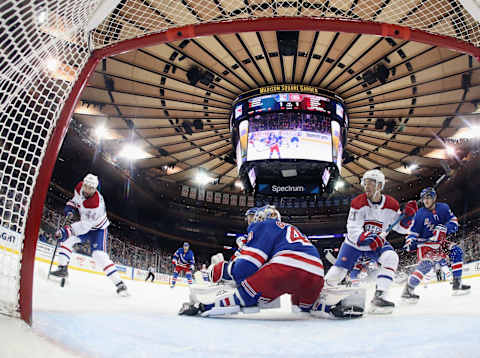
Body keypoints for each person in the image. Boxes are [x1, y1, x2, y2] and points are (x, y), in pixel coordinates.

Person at [179, 205, 364, 319]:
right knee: (301, 305)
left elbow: (246, 266)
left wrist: (220, 270)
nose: (252, 222)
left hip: (284, 270)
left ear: (261, 218)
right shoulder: (291, 228)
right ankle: (328, 306)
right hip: (316, 274)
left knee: (247, 293)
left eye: (255, 219)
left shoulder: (264, 226)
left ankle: (205, 306)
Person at [324, 169, 418, 314]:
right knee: (339, 271)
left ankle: (379, 297)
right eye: (365, 183)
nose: (366, 187)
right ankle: (320, 294)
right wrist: (368, 239)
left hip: (377, 242)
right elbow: (353, 229)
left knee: (391, 257)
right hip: (354, 244)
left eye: (371, 184)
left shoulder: (392, 204)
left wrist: (408, 218)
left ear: (380, 186)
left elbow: (401, 228)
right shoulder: (358, 202)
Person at [50, 174, 128, 296]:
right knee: (67, 241)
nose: (87, 189)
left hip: (98, 229)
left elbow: (84, 227)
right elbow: (76, 201)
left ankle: (120, 284)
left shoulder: (95, 204)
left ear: (95, 189)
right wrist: (70, 208)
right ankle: (62, 269)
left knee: (98, 255)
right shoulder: (79, 187)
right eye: (86, 186)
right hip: (85, 224)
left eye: (91, 188)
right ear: (83, 183)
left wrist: (66, 231)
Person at [402, 187, 470, 301]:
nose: (426, 201)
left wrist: (445, 228)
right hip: (425, 245)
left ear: (434, 198)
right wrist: (410, 240)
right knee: (426, 265)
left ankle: (457, 284)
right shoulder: (419, 214)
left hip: (440, 243)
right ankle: (408, 289)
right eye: (424, 198)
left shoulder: (443, 208)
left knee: (456, 251)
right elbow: (413, 232)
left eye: (428, 197)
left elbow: (454, 222)